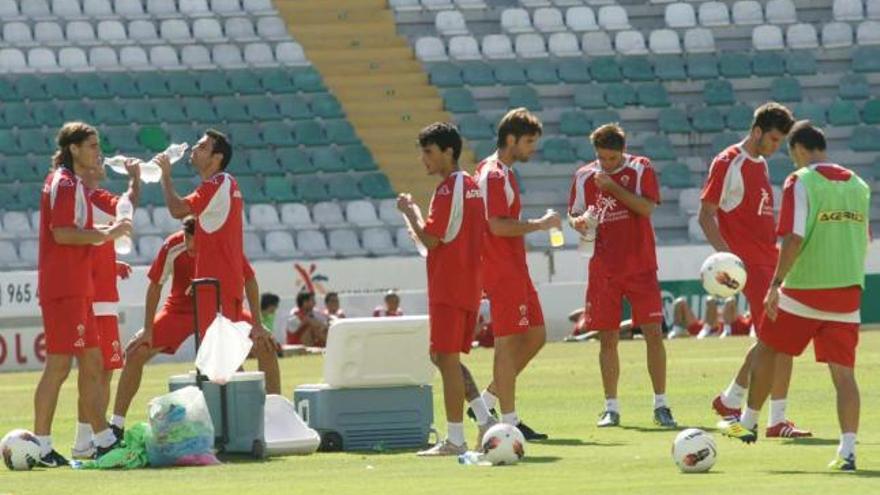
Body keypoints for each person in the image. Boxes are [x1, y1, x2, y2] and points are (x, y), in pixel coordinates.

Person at [721, 121, 870, 471]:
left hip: (805, 288)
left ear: (800, 149)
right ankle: (847, 452)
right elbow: (865, 237)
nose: (792, 161)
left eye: (791, 154)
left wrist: (776, 284)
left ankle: (750, 420)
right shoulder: (860, 185)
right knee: (844, 376)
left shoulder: (800, 181)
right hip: (847, 290)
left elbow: (794, 238)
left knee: (768, 347)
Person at [699, 103, 811, 438]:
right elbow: (706, 214)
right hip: (751, 266)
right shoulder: (728, 161)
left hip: (770, 260)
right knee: (782, 339)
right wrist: (729, 261)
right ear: (757, 131)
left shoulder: (759, 163)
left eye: (781, 141)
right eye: (774, 139)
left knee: (772, 340)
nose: (777, 147)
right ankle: (776, 421)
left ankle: (730, 399)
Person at [111, 217, 280, 431]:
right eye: (187, 238)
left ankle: (276, 418)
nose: (190, 245)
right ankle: (116, 425)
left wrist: (257, 324)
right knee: (136, 351)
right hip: (180, 310)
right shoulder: (173, 245)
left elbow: (250, 279)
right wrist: (147, 329)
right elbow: (155, 285)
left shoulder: (224, 244)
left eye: (196, 241)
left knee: (266, 344)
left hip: (220, 311)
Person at [34, 122, 132, 466]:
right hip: (65, 287)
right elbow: (62, 234)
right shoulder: (64, 183)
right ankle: (42, 446)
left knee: (94, 362)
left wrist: (104, 234)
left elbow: (76, 231)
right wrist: (108, 234)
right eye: (91, 145)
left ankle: (102, 439)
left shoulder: (70, 183)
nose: (97, 150)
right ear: (73, 149)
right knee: (59, 366)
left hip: (78, 288)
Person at [568, 123, 677, 429]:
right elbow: (575, 213)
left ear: (623, 152)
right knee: (608, 338)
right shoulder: (583, 176)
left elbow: (646, 208)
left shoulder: (641, 168)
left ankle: (661, 404)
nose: (607, 164)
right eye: (602, 159)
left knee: (654, 333)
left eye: (613, 159)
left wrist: (613, 187)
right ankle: (611, 408)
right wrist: (578, 223)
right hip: (603, 269)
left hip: (640, 265)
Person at [397, 122, 495, 456]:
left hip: (451, 285)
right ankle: (485, 420)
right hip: (462, 281)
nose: (424, 159)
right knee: (441, 356)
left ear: (448, 152)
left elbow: (431, 238)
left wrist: (411, 213)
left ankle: (455, 438)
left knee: (447, 359)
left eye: (429, 152)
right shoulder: (468, 186)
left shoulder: (449, 188)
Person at [474, 107, 559, 440]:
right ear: (510, 139)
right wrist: (539, 224)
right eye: (528, 142)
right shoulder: (494, 174)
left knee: (536, 334)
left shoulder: (502, 172)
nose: (532, 149)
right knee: (507, 346)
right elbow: (496, 226)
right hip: (500, 268)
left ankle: (485, 402)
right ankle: (508, 422)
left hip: (513, 266)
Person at [71, 151, 141, 459]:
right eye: (96, 158)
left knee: (102, 371)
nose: (101, 162)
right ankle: (88, 441)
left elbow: (93, 244)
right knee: (96, 372)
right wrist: (134, 179)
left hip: (102, 297)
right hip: (96, 300)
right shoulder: (90, 197)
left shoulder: (86, 198)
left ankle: (86, 439)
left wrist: (112, 264)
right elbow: (125, 209)